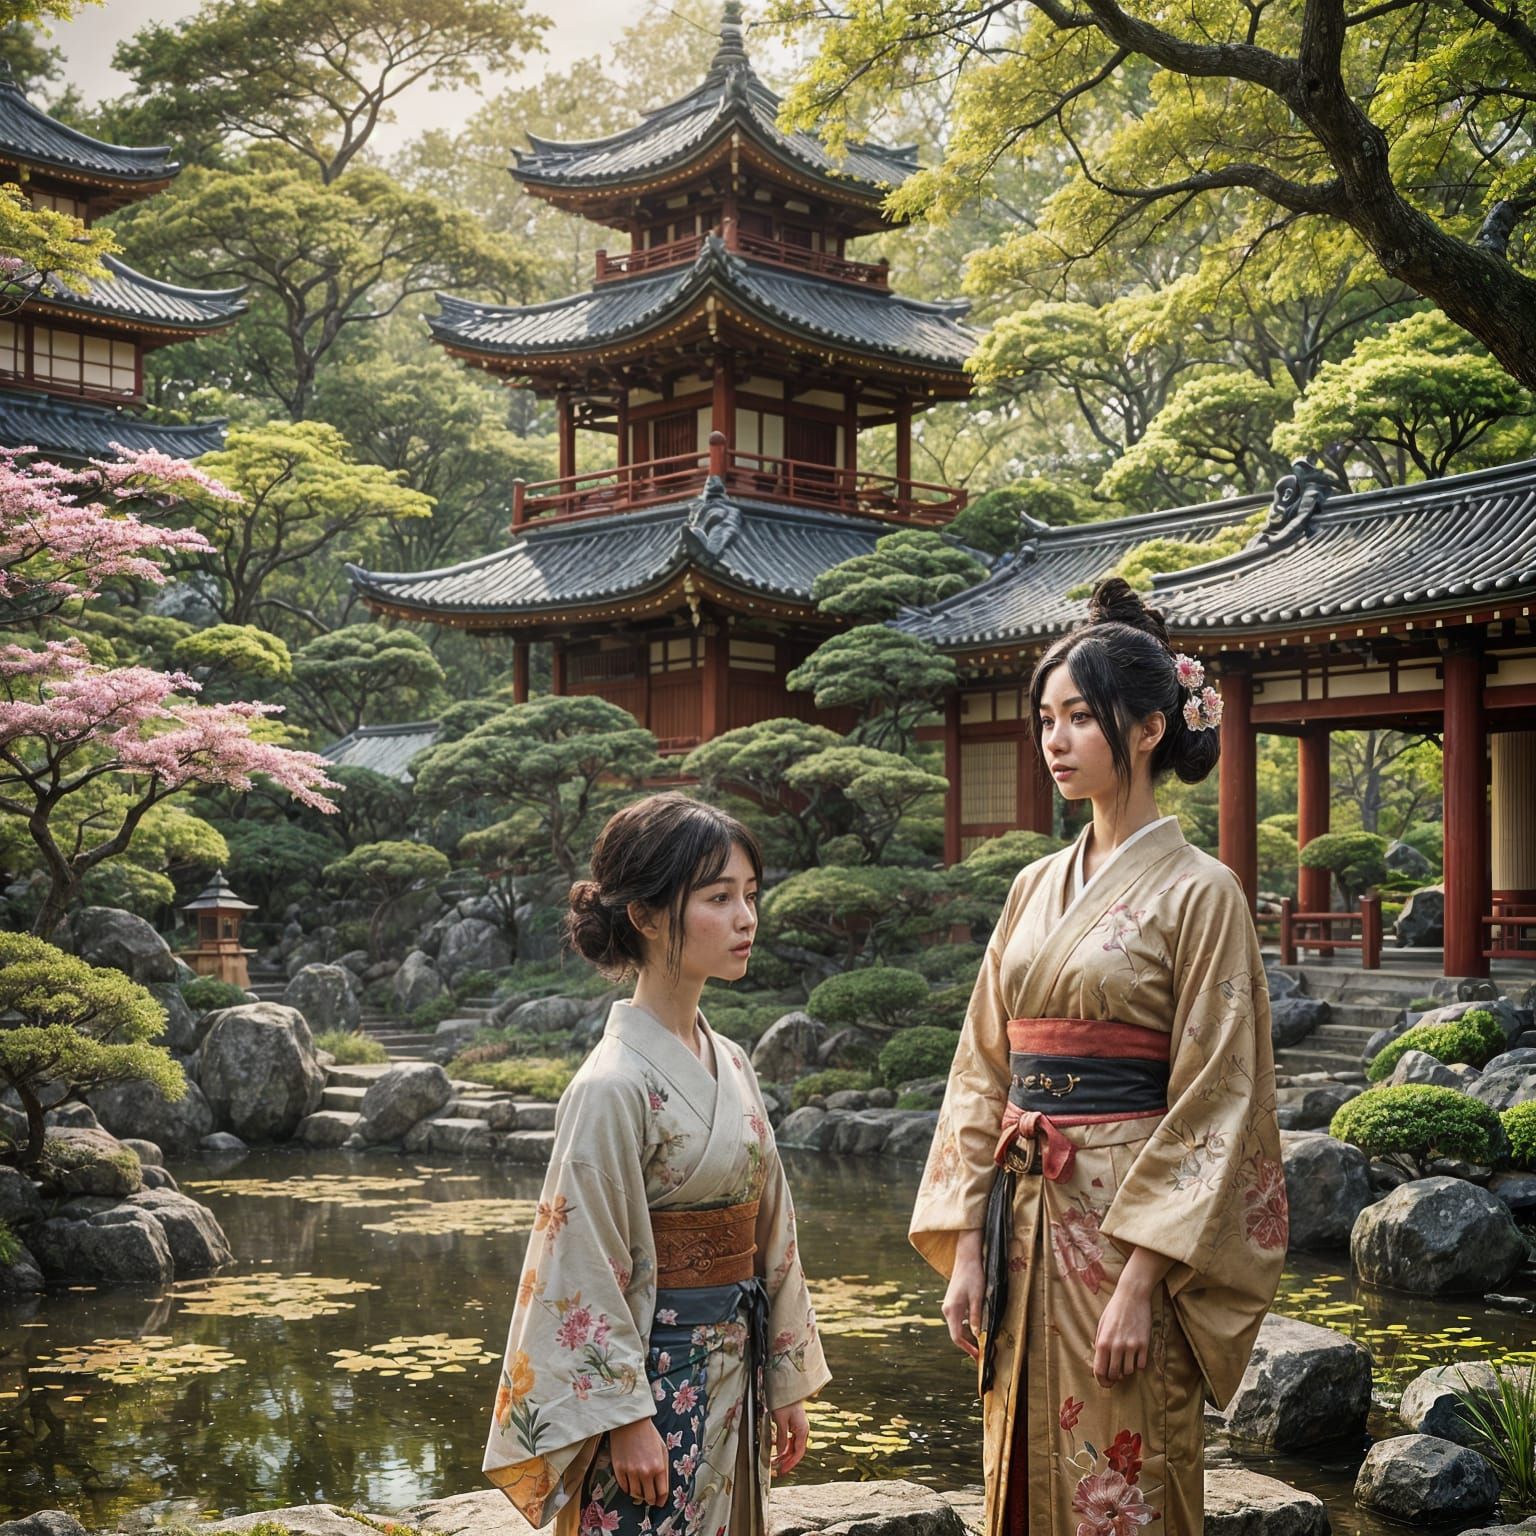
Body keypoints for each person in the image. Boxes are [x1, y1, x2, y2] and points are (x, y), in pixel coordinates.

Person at [910, 578, 1286, 1536]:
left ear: (1150, 728)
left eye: (1081, 717)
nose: (1056, 739)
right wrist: (964, 1247)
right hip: (1021, 1216)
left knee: (1125, 1475)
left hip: (1124, 1232)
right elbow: (982, 1066)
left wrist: (1141, 1283)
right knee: (1021, 1468)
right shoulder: (1034, 885)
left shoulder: (1204, 892)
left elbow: (1220, 1097)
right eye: (1047, 718)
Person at [483, 791, 829, 1536]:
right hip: (652, 1387)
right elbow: (578, 1261)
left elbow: (773, 1228)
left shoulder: (731, 1060)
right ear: (643, 915)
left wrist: (786, 1377)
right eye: (719, 897)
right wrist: (624, 1416)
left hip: (737, 1367)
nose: (746, 918)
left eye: (750, 895)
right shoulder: (610, 1086)